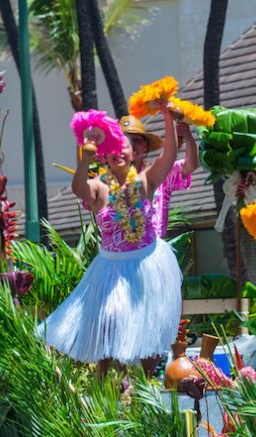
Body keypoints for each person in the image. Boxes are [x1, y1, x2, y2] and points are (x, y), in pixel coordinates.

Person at [40, 104, 182, 377]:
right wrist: (86, 156)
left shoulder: (144, 181)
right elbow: (78, 188)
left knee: (146, 330)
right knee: (108, 320)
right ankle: (103, 389)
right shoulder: (99, 187)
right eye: (113, 151)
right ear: (105, 155)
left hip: (147, 263)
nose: (118, 154)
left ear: (134, 153)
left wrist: (167, 119)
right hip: (111, 267)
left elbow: (170, 156)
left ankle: (144, 390)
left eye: (124, 149)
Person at [119, 115, 199, 238]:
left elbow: (190, 165)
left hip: (155, 248)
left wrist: (187, 137)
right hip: (120, 251)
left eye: (136, 140)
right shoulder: (109, 180)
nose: (131, 145)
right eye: (125, 140)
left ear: (145, 146)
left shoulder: (160, 174)